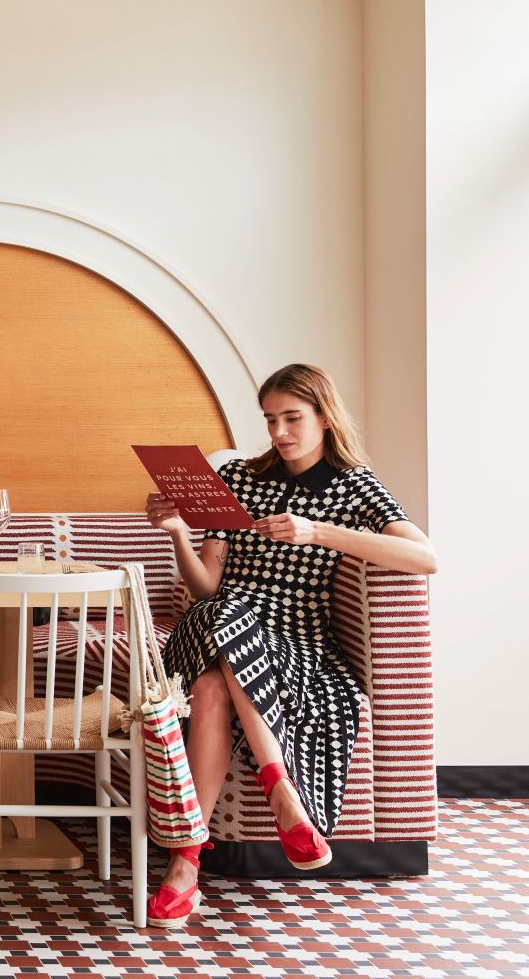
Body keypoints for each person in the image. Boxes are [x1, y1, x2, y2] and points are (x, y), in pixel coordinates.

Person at [142, 363, 436, 927]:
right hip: (213, 624)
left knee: (211, 691)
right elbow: (207, 588)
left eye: (292, 418)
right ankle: (280, 790)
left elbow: (425, 557)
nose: (279, 432)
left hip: (297, 643)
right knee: (225, 611)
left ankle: (184, 866)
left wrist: (317, 531)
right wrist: (179, 532)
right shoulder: (241, 478)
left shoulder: (354, 485)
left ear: (324, 417)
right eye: (270, 419)